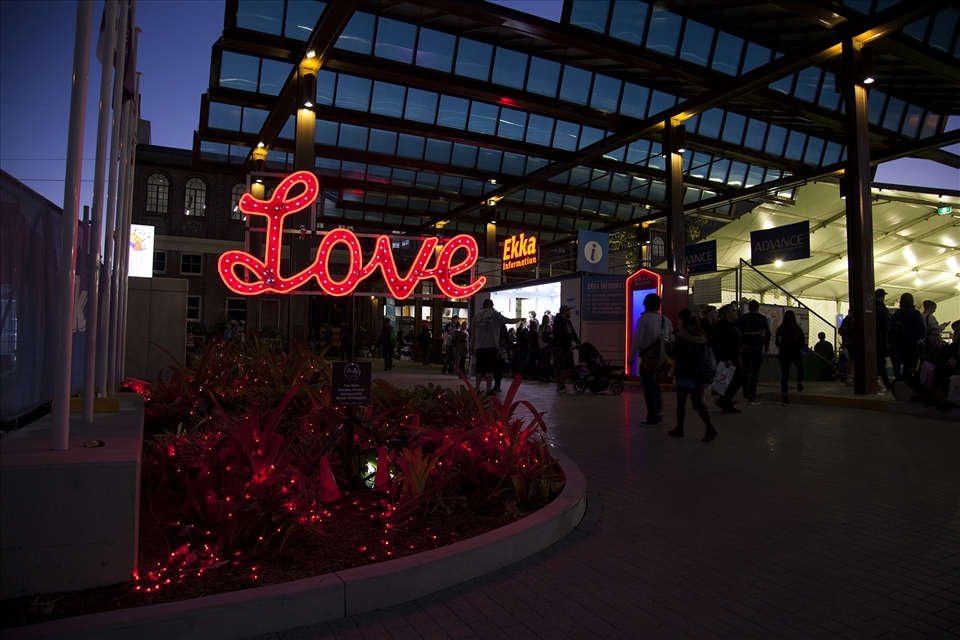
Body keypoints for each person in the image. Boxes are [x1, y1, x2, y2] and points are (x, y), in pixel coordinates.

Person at [666, 312, 717, 442]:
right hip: (699, 374)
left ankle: (680, 429)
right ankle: (710, 428)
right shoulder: (700, 334)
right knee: (698, 403)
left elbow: (674, 354)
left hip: (685, 374)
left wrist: (666, 345)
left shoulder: (682, 335)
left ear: (682, 319)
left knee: (681, 403)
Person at [627, 293, 673, 425]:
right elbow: (671, 339)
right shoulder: (666, 320)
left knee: (649, 388)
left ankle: (652, 417)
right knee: (656, 385)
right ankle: (658, 412)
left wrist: (631, 357)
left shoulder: (644, 320)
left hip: (649, 360)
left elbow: (637, 340)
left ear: (646, 304)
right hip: (662, 359)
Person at [470, 299, 522, 396]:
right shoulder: (495, 314)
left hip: (479, 346)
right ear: (492, 305)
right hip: (492, 345)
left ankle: (477, 388)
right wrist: (520, 319)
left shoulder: (476, 317)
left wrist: (472, 347)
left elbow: (473, 334)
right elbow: (509, 321)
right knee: (490, 370)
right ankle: (488, 390)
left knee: (479, 369)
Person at [738, 299, 770, 405]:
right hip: (757, 348)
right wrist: (767, 346)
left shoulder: (743, 318)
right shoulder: (762, 318)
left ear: (749, 308)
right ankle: (752, 397)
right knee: (754, 373)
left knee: (745, 371)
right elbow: (767, 332)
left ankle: (745, 392)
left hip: (746, 348)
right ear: (758, 308)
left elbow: (737, 331)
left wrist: (742, 343)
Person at [712, 303, 742, 413]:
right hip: (730, 357)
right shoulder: (724, 325)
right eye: (733, 310)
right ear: (726, 313)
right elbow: (723, 342)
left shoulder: (731, 324)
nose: (736, 312)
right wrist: (726, 358)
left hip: (733, 356)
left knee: (733, 380)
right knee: (738, 378)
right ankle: (724, 401)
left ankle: (726, 402)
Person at [890, 293, 925, 382]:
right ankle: (906, 382)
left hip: (897, 344)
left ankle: (898, 381)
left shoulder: (896, 315)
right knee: (910, 366)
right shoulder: (914, 313)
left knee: (897, 366)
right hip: (911, 344)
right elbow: (921, 329)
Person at [775, 310, 805, 405]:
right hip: (795, 352)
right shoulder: (798, 329)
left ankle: (785, 396)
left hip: (784, 353)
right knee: (800, 366)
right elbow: (802, 343)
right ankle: (800, 383)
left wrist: (783, 347)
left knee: (785, 375)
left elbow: (777, 342)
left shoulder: (780, 329)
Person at [552, 305, 580, 393]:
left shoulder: (568, 322)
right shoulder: (558, 322)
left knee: (570, 366)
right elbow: (561, 334)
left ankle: (561, 382)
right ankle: (559, 385)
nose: (570, 312)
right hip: (559, 348)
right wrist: (569, 344)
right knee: (559, 368)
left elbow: (572, 333)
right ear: (564, 312)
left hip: (567, 348)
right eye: (568, 311)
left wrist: (578, 342)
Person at [875, 289, 892, 390]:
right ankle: (885, 381)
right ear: (882, 297)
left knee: (878, 360)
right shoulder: (882, 308)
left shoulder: (871, 307)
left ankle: (884, 381)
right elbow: (886, 324)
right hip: (880, 337)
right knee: (880, 359)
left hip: (872, 337)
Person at [538, 313, 553, 383]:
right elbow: (551, 335)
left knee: (542, 362)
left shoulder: (540, 327)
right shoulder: (548, 326)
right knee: (547, 362)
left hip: (541, 346)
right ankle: (547, 377)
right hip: (547, 346)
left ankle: (541, 377)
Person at [527, 311, 540, 381]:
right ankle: (537, 375)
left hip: (531, 349)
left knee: (532, 362)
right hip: (536, 349)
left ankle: (532, 375)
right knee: (539, 361)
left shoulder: (529, 333)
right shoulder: (536, 333)